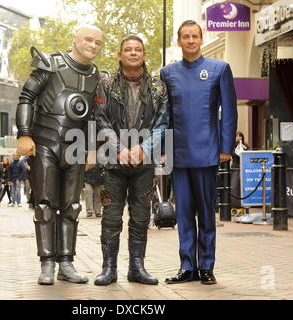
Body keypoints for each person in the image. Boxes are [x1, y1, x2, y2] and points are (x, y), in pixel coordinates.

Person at [15, 25, 104, 285]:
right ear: (75, 40)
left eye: (98, 42)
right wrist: (24, 133)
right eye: (88, 39)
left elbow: (93, 116)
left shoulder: (97, 76)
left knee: (72, 206)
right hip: (44, 143)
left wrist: (92, 148)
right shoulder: (50, 64)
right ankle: (47, 264)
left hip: (76, 148)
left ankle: (66, 262)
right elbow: (27, 96)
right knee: (44, 205)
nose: (93, 45)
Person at [160, 20, 237, 285]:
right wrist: (163, 149)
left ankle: (206, 266)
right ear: (179, 41)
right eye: (185, 37)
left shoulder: (219, 69)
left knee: (206, 212)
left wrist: (226, 147)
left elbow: (229, 110)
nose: (190, 40)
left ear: (201, 39)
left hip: (207, 152)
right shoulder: (167, 73)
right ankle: (187, 267)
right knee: (183, 214)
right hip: (178, 154)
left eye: (194, 36)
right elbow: (163, 116)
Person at [93, 35, 169, 286]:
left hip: (143, 164)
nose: (133, 53)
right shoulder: (105, 84)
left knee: (140, 216)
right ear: (120, 54)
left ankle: (137, 267)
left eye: (138, 50)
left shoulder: (158, 87)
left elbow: (162, 123)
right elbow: (100, 119)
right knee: (111, 216)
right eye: (128, 49)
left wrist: (143, 149)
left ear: (144, 54)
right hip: (113, 165)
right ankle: (109, 268)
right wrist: (118, 149)